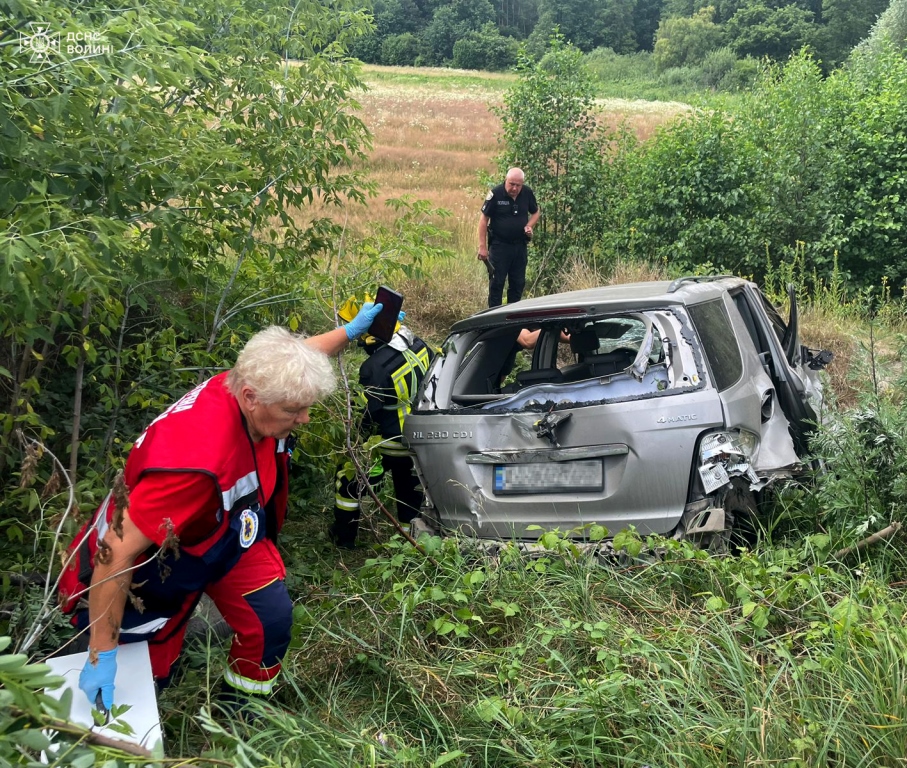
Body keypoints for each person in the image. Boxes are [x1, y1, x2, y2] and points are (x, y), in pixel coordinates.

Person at [58, 303, 384, 714]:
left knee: (270, 620)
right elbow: (115, 553)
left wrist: (351, 332)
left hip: (229, 531)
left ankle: (238, 713)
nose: (302, 419)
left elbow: (297, 359)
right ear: (251, 398)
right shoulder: (194, 466)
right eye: (292, 410)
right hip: (161, 558)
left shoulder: (254, 377)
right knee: (143, 671)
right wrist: (100, 654)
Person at [330, 300, 434, 548]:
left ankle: (344, 538)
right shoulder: (418, 344)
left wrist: (355, 443)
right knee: (410, 496)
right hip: (419, 439)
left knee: (348, 481)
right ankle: (412, 544)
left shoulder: (373, 368)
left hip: (388, 444)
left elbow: (368, 414)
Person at [478, 167, 540, 307]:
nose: (515, 188)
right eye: (512, 184)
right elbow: (483, 220)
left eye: (518, 185)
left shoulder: (527, 193)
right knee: (497, 284)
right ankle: (494, 320)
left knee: (518, 284)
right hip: (500, 246)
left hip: (519, 247)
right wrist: (482, 246)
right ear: (506, 180)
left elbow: (536, 213)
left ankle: (513, 321)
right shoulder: (496, 194)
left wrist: (529, 226)